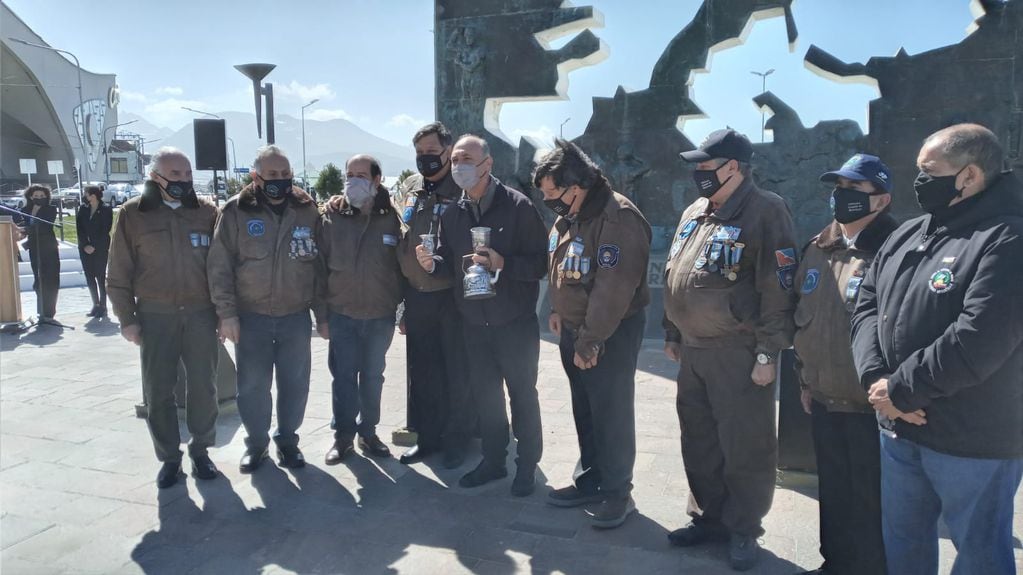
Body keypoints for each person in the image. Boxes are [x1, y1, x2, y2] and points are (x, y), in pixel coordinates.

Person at [851, 123, 1023, 575]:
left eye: (930, 170)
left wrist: (900, 392)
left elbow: (980, 337)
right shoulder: (908, 233)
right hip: (900, 430)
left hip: (971, 440)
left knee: (981, 554)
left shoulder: (1007, 238)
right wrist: (876, 381)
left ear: (968, 176)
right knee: (904, 544)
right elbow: (866, 305)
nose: (920, 180)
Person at [662, 129, 797, 571]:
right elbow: (676, 272)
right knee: (698, 440)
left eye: (705, 166)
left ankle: (743, 528)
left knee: (745, 446)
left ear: (732, 168)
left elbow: (777, 287)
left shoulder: (765, 210)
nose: (697, 173)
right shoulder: (695, 211)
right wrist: (673, 330)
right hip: (694, 350)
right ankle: (707, 518)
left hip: (738, 352)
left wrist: (767, 354)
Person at [416, 134, 547, 497]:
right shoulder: (453, 212)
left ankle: (526, 466)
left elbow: (541, 262)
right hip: (474, 325)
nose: (459, 167)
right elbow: (446, 262)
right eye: (455, 159)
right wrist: (431, 263)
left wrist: (504, 264)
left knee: (523, 395)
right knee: (487, 398)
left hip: (515, 324)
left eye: (467, 160)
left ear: (487, 165)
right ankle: (493, 461)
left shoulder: (518, 206)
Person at [534, 139, 651, 528]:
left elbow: (613, 289)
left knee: (610, 410)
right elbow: (560, 264)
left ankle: (619, 492)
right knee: (585, 407)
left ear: (576, 185)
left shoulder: (618, 218)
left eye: (553, 193)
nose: (549, 201)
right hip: (574, 328)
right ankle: (592, 480)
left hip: (607, 332)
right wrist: (557, 309)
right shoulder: (570, 214)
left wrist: (590, 339)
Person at [792, 154, 898, 575]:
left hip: (870, 406)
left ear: (881, 200)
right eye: (839, 187)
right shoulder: (820, 247)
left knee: (872, 501)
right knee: (833, 492)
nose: (842, 196)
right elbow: (806, 318)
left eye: (855, 190)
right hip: (822, 397)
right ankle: (833, 564)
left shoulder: (896, 249)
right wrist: (804, 378)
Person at [107, 147, 221, 488]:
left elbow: (221, 266)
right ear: (156, 176)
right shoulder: (133, 214)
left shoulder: (206, 212)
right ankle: (170, 458)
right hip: (156, 315)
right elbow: (118, 272)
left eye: (187, 175)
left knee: (204, 386)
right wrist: (127, 318)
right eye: (175, 175)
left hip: (201, 313)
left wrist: (223, 312)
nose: (183, 181)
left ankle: (201, 452)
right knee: (158, 391)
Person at [207, 145, 325, 473]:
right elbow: (219, 266)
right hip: (251, 317)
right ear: (256, 176)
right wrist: (227, 314)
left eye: (286, 174)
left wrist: (322, 315)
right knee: (253, 386)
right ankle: (257, 444)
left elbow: (318, 266)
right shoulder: (235, 211)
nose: (281, 180)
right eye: (273, 175)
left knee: (295, 384)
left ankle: (288, 441)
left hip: (295, 317)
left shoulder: (306, 210)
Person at [396, 122, 473, 468]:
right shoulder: (413, 188)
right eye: (419, 154)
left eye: (431, 152)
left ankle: (457, 441)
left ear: (447, 150)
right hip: (418, 296)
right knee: (423, 373)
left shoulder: (462, 187)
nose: (425, 159)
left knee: (457, 373)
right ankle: (426, 439)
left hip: (451, 296)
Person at [320, 154, 403, 464]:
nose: (354, 181)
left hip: (379, 316)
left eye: (361, 175)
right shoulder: (330, 217)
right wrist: (321, 315)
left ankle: (368, 433)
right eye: (349, 174)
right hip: (342, 314)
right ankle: (342, 438)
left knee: (372, 377)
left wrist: (402, 310)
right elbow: (319, 269)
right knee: (342, 378)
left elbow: (401, 267)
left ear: (376, 180)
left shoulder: (392, 218)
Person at [16, 185, 61, 321]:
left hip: (49, 248)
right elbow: (23, 226)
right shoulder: (25, 210)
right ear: (31, 197)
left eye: (42, 196)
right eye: (36, 196)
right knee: (38, 279)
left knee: (50, 279)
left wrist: (28, 227)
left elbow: (45, 227)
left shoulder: (51, 209)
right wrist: (20, 233)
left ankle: (49, 312)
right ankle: (41, 311)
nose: (40, 199)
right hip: (35, 249)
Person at [76, 184, 114, 318]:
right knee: (89, 276)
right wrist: (85, 244)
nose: (84, 197)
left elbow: (105, 229)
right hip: (84, 248)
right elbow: (79, 228)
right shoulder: (83, 209)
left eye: (86, 194)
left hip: (100, 247)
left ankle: (103, 306)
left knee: (100, 276)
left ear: (93, 195)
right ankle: (95, 304)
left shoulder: (106, 209)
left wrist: (94, 245)